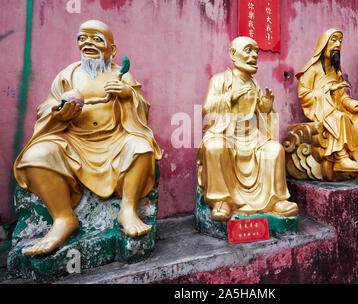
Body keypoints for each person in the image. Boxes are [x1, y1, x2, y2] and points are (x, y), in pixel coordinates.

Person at [14, 20, 162, 255]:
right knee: (36, 156)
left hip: (115, 140)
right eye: (83, 38)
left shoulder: (121, 75)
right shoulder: (67, 75)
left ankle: (128, 207)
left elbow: (141, 109)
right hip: (73, 141)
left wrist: (127, 96)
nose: (88, 44)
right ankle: (63, 218)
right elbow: (46, 107)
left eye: (96, 39)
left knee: (141, 146)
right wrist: (59, 113)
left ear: (111, 50)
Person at [196, 36, 298, 221]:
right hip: (224, 133)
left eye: (256, 52)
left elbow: (261, 120)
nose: (254, 56)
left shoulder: (254, 85)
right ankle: (221, 200)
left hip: (251, 136)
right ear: (233, 54)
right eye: (248, 50)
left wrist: (266, 109)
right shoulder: (219, 80)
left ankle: (275, 200)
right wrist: (229, 98)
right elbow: (207, 110)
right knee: (215, 148)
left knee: (274, 150)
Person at [295, 29, 358, 178]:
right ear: (323, 44)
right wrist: (328, 89)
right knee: (340, 118)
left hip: (339, 109)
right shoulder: (312, 69)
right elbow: (304, 95)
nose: (338, 44)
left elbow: (342, 97)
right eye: (334, 40)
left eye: (340, 41)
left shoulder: (336, 72)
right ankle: (341, 158)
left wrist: (355, 106)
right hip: (323, 110)